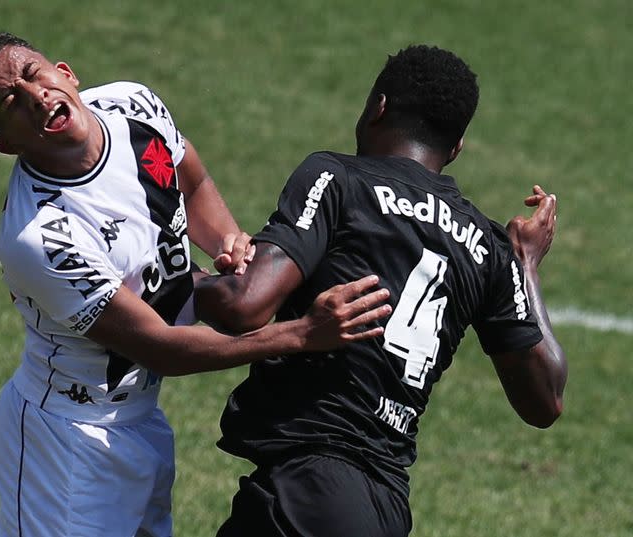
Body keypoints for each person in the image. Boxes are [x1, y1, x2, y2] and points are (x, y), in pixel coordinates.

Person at [0, 32, 392, 537]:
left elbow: (194, 182)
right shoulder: (42, 235)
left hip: (142, 422)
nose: (35, 97)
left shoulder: (132, 104)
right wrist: (301, 334)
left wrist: (227, 238)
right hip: (69, 443)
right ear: (6, 143)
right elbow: (162, 348)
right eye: (10, 102)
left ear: (66, 73)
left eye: (34, 76)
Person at [194, 44, 567, 537]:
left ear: (379, 106)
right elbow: (546, 399)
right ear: (456, 148)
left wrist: (165, 272)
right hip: (385, 505)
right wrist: (527, 268)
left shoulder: (338, 179)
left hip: (310, 488)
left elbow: (244, 306)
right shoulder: (490, 248)